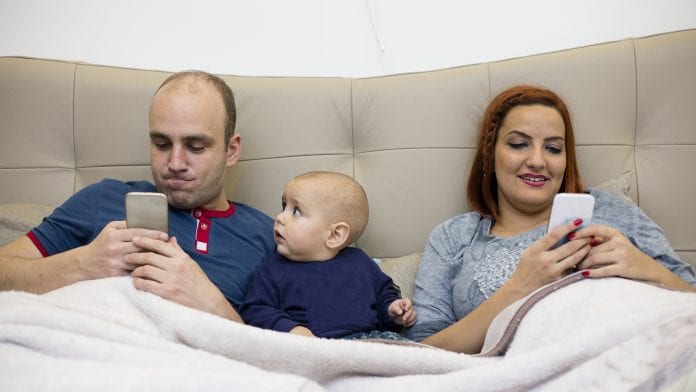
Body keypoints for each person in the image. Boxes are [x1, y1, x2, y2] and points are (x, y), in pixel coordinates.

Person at [405, 85, 696, 353]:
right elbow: (422, 354)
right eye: (519, 144)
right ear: (490, 155)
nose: (537, 161)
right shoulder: (454, 236)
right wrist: (519, 287)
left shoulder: (609, 209)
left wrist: (646, 268)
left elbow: (689, 299)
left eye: (553, 148)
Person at [0, 71, 276, 322]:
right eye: (162, 144)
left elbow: (292, 347)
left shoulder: (268, 236)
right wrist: (82, 265)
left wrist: (214, 306)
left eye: (195, 146)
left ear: (232, 150)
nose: (175, 162)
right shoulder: (103, 198)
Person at [239, 171, 416, 339]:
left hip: (369, 342)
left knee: (410, 352)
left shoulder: (360, 262)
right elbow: (255, 310)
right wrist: (290, 329)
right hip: (310, 347)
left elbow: (383, 293)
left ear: (334, 235)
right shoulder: (271, 271)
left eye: (297, 212)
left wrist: (393, 310)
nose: (279, 217)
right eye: (284, 206)